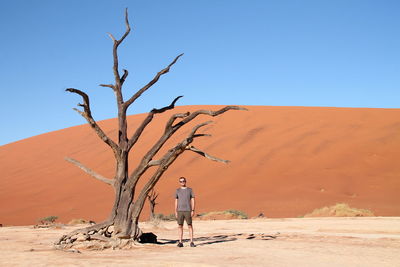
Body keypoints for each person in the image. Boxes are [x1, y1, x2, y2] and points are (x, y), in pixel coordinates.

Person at [175, 176, 195, 247]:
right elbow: (176, 201)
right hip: (180, 211)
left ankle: (191, 242)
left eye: (183, 181)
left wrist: (192, 210)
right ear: (179, 182)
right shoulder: (177, 190)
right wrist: (175, 211)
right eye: (181, 181)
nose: (182, 182)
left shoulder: (190, 190)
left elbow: (192, 199)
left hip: (188, 210)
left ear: (185, 181)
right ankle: (180, 242)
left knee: (190, 225)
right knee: (180, 226)